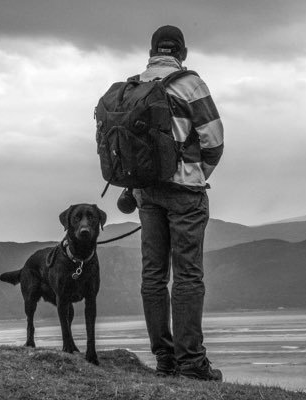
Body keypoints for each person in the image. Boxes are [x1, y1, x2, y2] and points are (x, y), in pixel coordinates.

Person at [133, 25, 224, 380]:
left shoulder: (135, 86)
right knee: (187, 275)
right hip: (185, 191)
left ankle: (165, 359)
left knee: (153, 276)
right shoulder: (190, 84)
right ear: (182, 52)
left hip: (145, 192)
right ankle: (191, 363)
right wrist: (198, 171)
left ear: (152, 51)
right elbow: (214, 139)